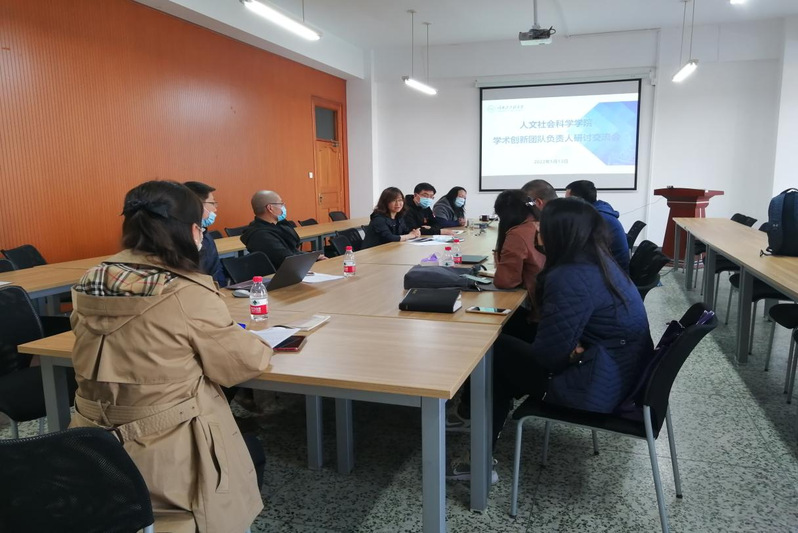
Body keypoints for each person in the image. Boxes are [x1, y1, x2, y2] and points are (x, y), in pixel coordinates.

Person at [69, 181, 272, 533]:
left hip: (91, 446)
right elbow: (242, 364)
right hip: (171, 454)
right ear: (193, 231)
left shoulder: (89, 280)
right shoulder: (184, 291)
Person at [449, 198, 653, 483]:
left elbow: (548, 356)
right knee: (509, 335)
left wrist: (570, 352)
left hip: (594, 384)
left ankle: (478, 460)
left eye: (542, 226)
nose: (536, 231)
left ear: (560, 232)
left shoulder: (571, 276)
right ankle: (478, 425)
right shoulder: (598, 261)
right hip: (616, 369)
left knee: (493, 351)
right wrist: (570, 349)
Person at [492, 189, 546, 341]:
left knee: (491, 331)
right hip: (554, 312)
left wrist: (499, 260)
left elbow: (506, 281)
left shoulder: (518, 233)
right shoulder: (545, 224)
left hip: (538, 319)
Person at [240, 190, 327, 269]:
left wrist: (312, 256)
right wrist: (311, 258)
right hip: (278, 276)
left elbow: (292, 251)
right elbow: (287, 259)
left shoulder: (279, 225)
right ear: (270, 208)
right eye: (280, 204)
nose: (283, 207)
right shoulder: (261, 235)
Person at [565, 180, 630, 272]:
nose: (566, 205)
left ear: (579, 201)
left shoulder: (597, 218)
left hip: (614, 272)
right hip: (611, 267)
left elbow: (579, 250)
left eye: (568, 201)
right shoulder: (598, 211)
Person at [184, 180, 226, 287]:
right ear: (198, 205)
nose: (215, 209)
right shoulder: (183, 240)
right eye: (212, 203)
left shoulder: (205, 235)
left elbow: (217, 269)